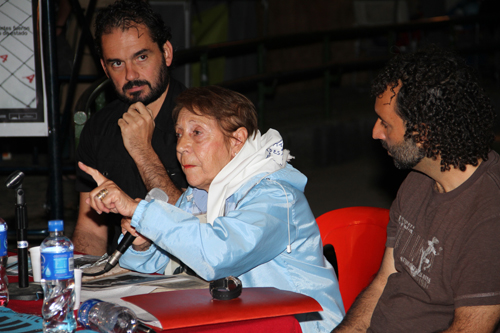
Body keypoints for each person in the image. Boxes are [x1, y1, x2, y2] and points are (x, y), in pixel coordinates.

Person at [79, 86, 345, 332]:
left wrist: (140, 210)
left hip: (300, 325)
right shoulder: (200, 195)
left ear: (237, 141)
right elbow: (154, 264)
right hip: (248, 319)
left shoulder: (275, 196)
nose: (181, 147)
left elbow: (218, 255)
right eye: (179, 134)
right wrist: (142, 245)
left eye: (197, 133)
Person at [333, 46, 500, 332]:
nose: (376, 132)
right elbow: (385, 278)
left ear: (423, 133)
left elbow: (470, 329)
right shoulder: (418, 179)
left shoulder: (488, 217)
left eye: (386, 123)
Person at [73, 0, 187, 256]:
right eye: (116, 64)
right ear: (104, 67)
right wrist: (83, 279)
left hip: (188, 271)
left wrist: (142, 151)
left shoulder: (204, 122)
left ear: (166, 53)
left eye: (141, 57)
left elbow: (196, 224)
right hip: (124, 269)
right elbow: (91, 229)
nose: (130, 75)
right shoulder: (98, 128)